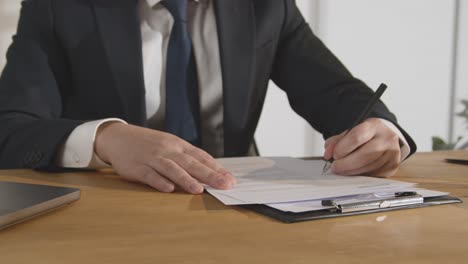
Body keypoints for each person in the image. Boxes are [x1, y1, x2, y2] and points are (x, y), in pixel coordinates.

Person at [0, 0, 416, 194]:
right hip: (111, 210)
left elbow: (337, 93)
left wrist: (382, 131)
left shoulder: (266, 7)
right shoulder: (58, 7)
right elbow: (11, 127)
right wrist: (106, 138)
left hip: (238, 204)